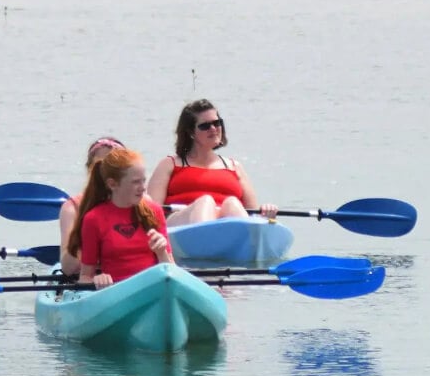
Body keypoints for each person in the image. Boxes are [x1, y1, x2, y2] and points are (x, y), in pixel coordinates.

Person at [146, 99, 278, 225]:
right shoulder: (169, 164)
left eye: (217, 123)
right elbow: (152, 212)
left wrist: (266, 214)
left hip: (225, 227)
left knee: (232, 203)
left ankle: (241, 242)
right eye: (205, 126)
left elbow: (253, 214)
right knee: (205, 202)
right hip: (181, 227)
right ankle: (205, 240)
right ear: (191, 132)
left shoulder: (234, 167)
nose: (213, 129)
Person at [66, 147, 172, 288]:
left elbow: (172, 270)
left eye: (143, 181)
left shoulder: (155, 211)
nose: (142, 188)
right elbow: (85, 277)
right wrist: (97, 280)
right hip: (117, 291)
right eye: (135, 182)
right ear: (112, 184)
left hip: (153, 287)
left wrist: (162, 252)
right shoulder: (93, 219)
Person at [58, 136, 126, 276]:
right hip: (89, 281)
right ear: (90, 169)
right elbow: (68, 267)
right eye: (102, 166)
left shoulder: (140, 203)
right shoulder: (72, 209)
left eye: (116, 166)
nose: (109, 173)